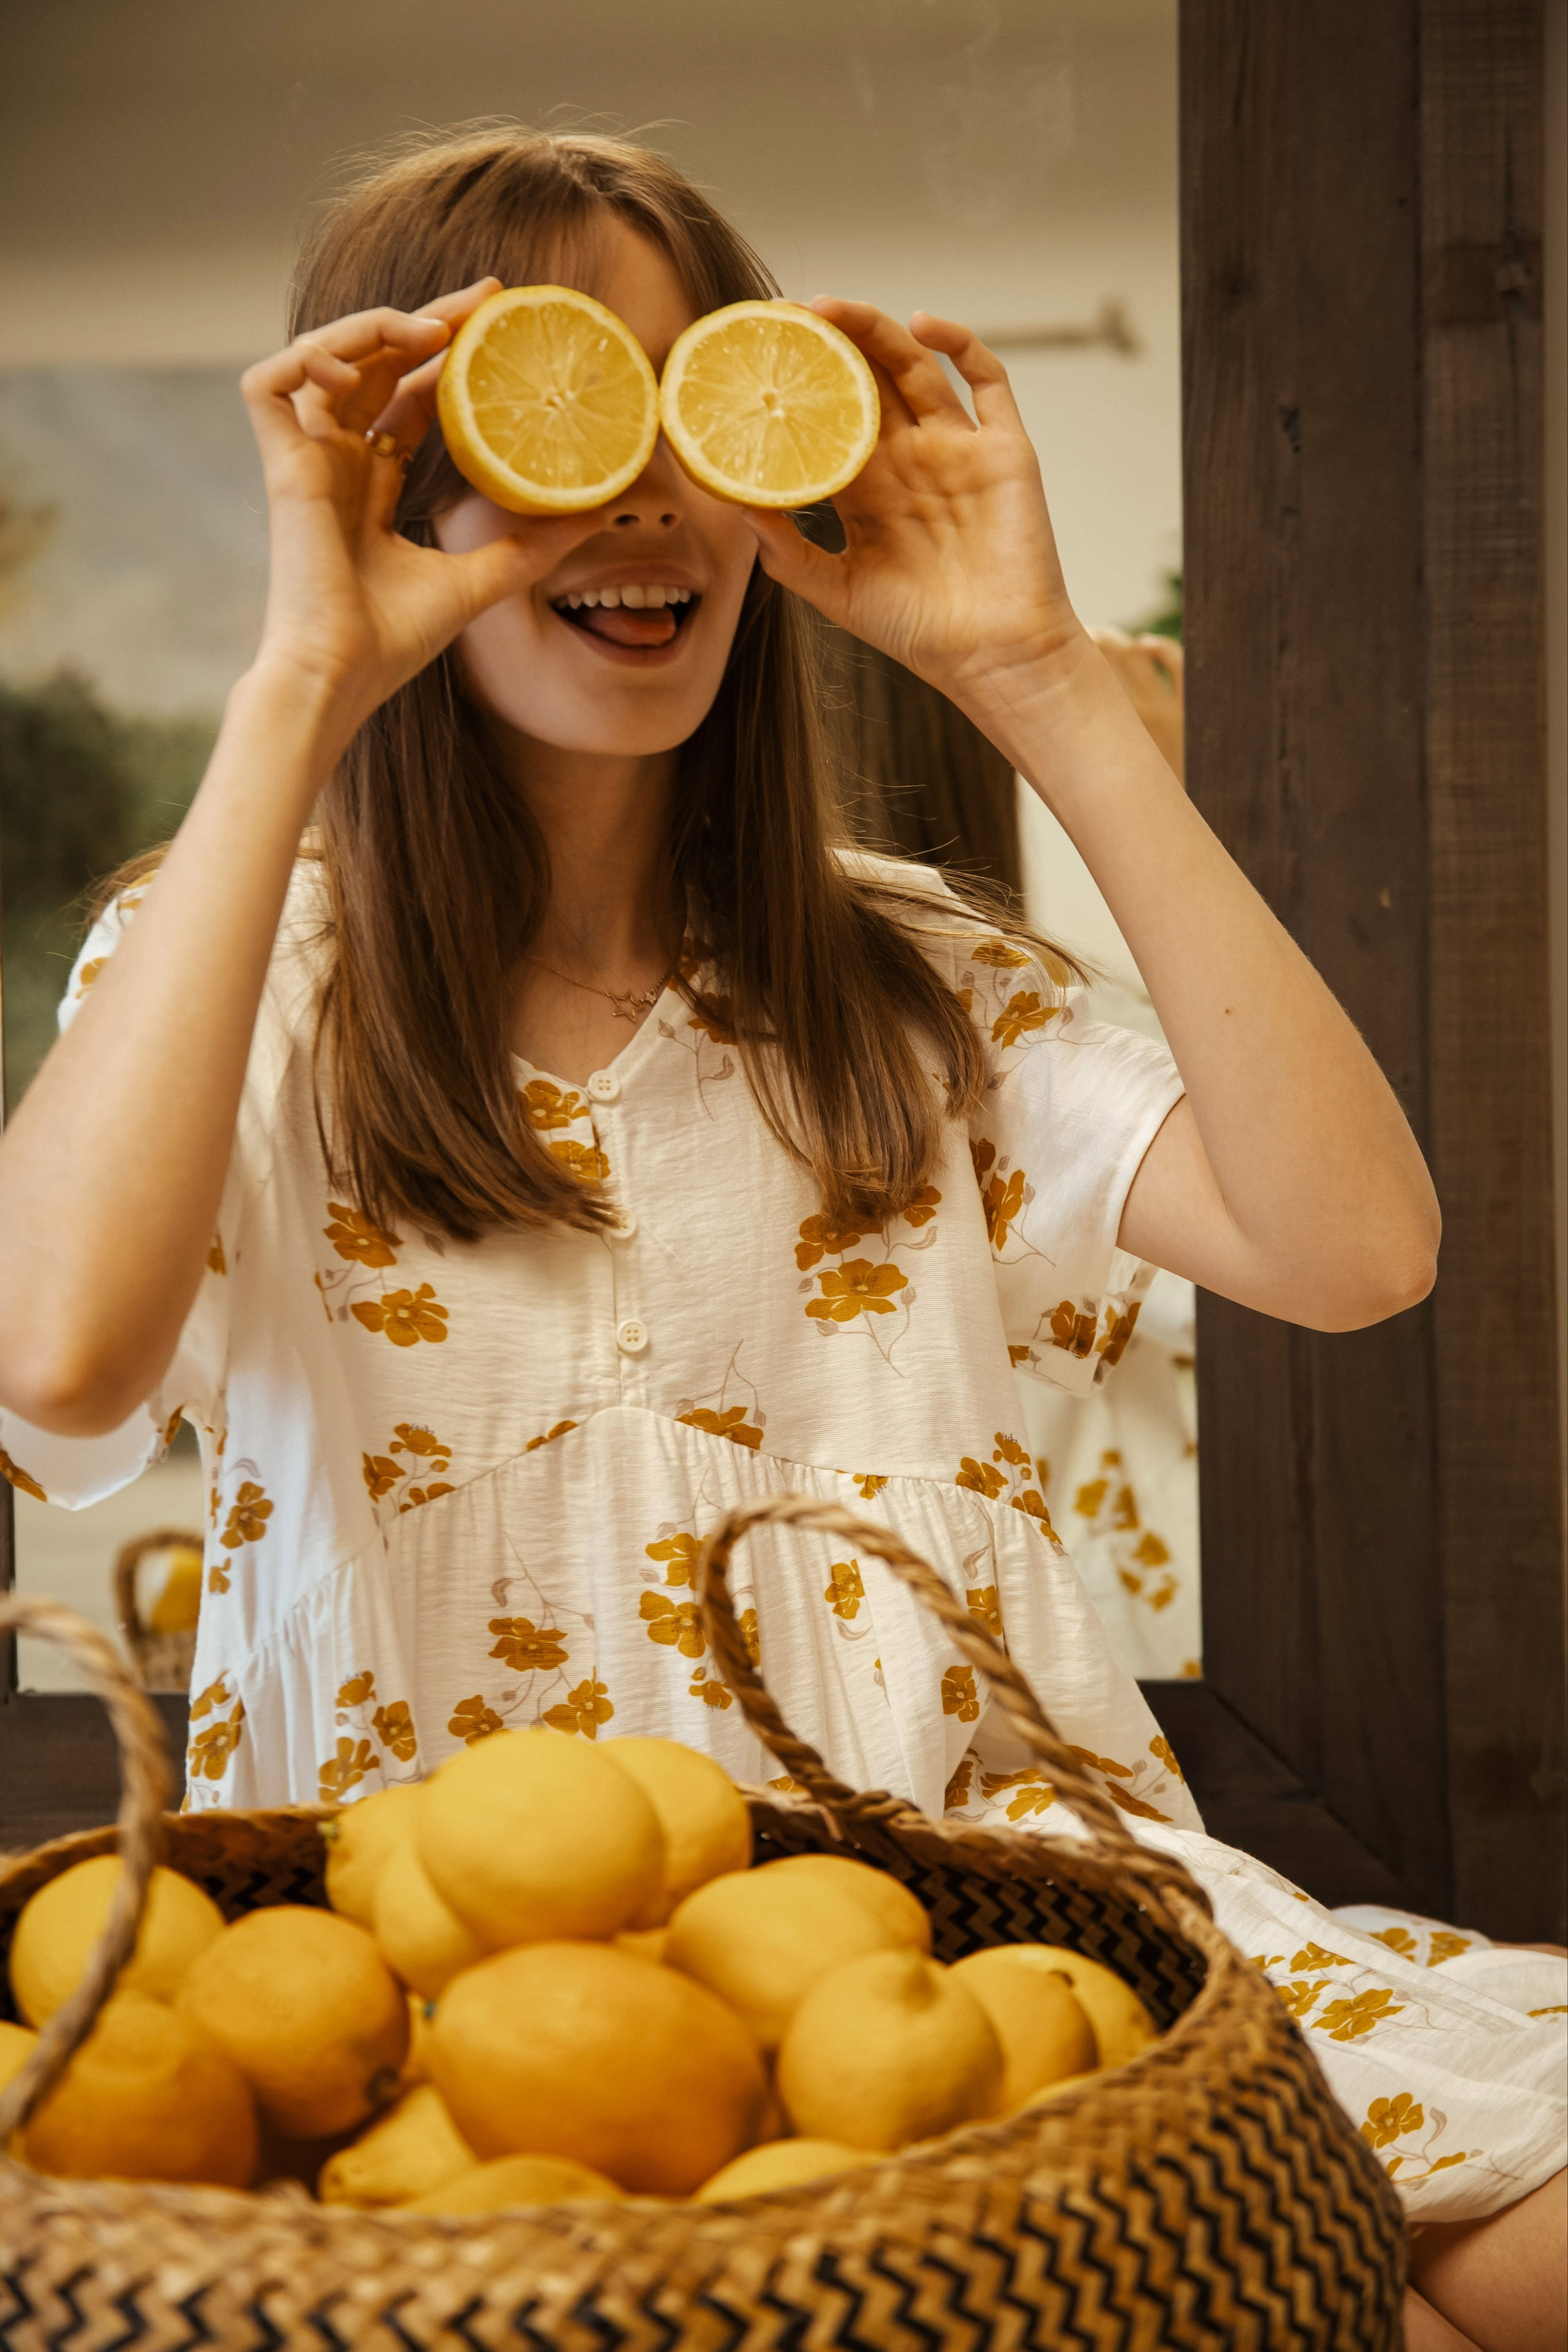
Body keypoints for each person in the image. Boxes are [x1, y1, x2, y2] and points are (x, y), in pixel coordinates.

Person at [0, 129, 1559, 2347]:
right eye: (548, 417)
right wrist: (298, 689)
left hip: (1005, 1928)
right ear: (395, 479)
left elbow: (1358, 1248)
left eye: (683, 407)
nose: (635, 492)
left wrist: (1033, 678)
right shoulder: (251, 972)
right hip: (480, 1995)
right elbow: (51, 1365)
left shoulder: (909, 982)